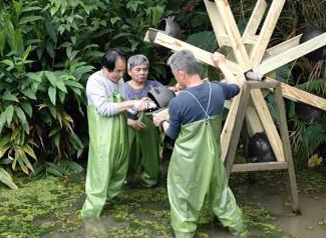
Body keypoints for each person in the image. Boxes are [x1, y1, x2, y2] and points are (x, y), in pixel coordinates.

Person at [153, 49, 247, 237]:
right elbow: (236, 86)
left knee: (183, 196)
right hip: (212, 155)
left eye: (175, 75)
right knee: (220, 191)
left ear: (180, 73)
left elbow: (172, 134)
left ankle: (184, 232)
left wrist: (161, 121)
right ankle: (240, 229)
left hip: (188, 160)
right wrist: (221, 63)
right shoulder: (217, 89)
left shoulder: (178, 103)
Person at [80, 49, 148, 218]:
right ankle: (91, 211)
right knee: (102, 169)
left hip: (120, 130)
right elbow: (104, 109)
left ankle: (110, 200)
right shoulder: (95, 81)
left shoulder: (119, 80)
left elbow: (124, 103)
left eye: (123, 70)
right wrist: (132, 102)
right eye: (118, 71)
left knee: (119, 167)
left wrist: (141, 104)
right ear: (105, 68)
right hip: (103, 132)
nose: (121, 74)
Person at [123, 54, 162, 187]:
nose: (142, 73)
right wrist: (130, 122)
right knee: (127, 156)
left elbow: (165, 101)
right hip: (127, 127)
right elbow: (114, 110)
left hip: (149, 127)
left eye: (145, 69)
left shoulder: (154, 86)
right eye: (138, 69)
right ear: (129, 71)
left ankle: (150, 179)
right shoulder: (122, 88)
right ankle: (125, 179)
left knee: (151, 156)